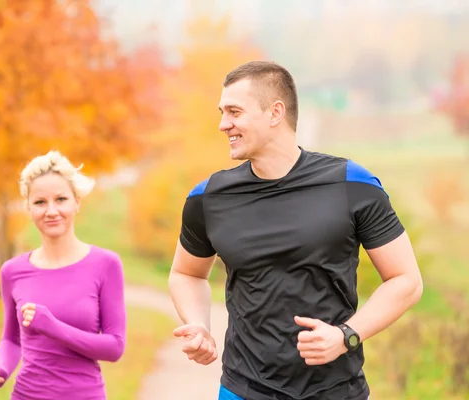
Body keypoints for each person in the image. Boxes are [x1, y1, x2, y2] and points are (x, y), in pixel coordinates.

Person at [168, 61, 423, 400]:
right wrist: (199, 324)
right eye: (222, 112)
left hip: (336, 390)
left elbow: (406, 280)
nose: (222, 124)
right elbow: (186, 273)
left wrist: (346, 335)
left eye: (234, 112)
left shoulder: (351, 184)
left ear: (275, 113)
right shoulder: (208, 198)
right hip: (244, 388)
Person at [0, 150, 127, 400]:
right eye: (40, 202)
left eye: (61, 199)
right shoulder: (12, 271)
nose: (51, 211)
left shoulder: (105, 264)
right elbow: (12, 339)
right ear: (28, 207)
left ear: (76, 202)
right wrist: (0, 370)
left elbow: (114, 347)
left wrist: (52, 326)